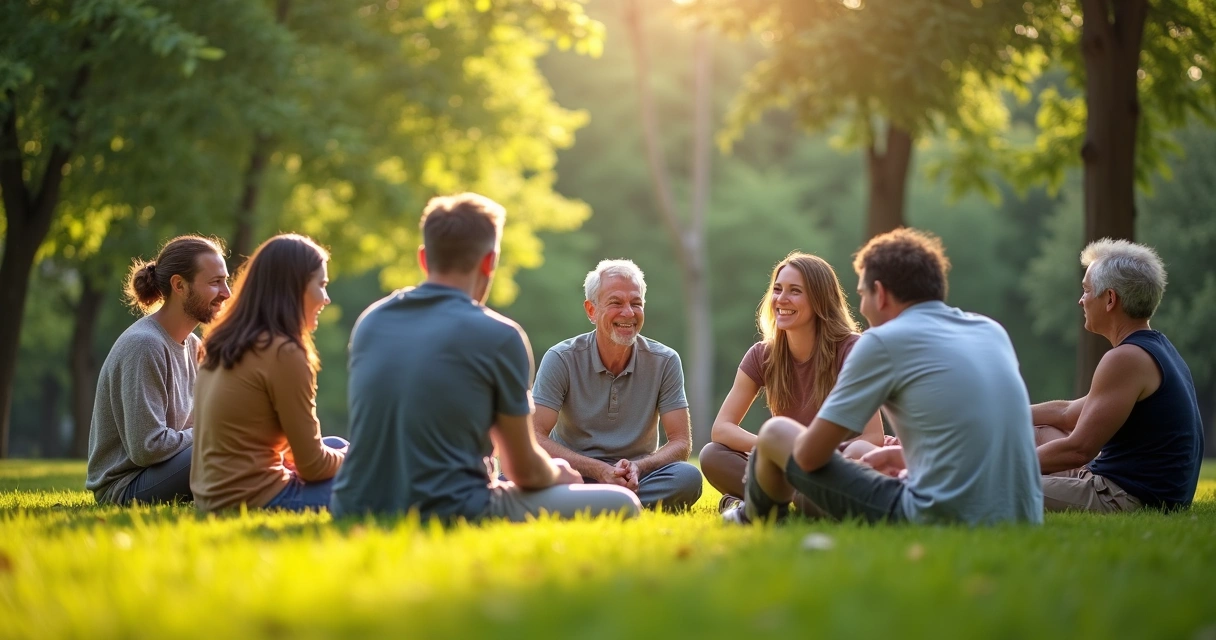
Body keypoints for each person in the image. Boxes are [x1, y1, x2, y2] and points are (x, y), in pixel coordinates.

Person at [331, 193, 640, 522]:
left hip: (354, 505)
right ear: (489, 262)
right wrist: (559, 471)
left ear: (423, 258)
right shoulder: (500, 336)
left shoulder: (371, 321)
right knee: (623, 502)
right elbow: (523, 469)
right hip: (452, 507)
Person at [723, 228, 1042, 525]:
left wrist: (772, 458)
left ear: (881, 294)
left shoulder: (881, 342)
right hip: (1022, 514)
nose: (862, 308)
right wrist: (904, 455)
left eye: (862, 294)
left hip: (937, 512)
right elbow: (971, 431)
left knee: (776, 432)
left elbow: (808, 457)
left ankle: (750, 516)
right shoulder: (990, 330)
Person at [700, 252, 885, 507]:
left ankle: (763, 501)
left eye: (795, 291)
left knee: (819, 490)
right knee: (713, 454)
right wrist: (777, 448)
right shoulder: (762, 354)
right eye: (777, 289)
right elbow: (722, 428)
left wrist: (813, 455)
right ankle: (787, 496)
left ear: (820, 299)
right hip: (789, 467)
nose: (781, 299)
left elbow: (873, 436)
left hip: (837, 464)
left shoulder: (852, 349)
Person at [1034, 239, 1204, 513]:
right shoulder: (1157, 347)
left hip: (1125, 497)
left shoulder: (1126, 358)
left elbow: (1079, 450)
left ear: (1110, 299)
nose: (1081, 300)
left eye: (1086, 291)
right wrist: (1004, 413)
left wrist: (1003, 467)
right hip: (1114, 481)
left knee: (992, 485)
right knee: (1038, 431)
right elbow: (1067, 413)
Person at [190, 234, 348, 512]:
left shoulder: (224, 340)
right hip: (255, 499)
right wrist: (359, 457)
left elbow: (294, 451)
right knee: (375, 476)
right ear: (296, 287)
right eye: (321, 285)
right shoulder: (284, 352)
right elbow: (313, 466)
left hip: (211, 498)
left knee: (336, 443)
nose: (326, 299)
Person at [531, 259, 702, 511]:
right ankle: (617, 503)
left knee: (687, 477)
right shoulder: (561, 358)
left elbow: (680, 442)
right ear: (591, 310)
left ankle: (581, 504)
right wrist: (598, 470)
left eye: (636, 303)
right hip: (574, 473)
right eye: (616, 303)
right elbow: (534, 436)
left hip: (636, 478)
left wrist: (639, 467)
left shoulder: (665, 361)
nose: (628, 313)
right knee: (512, 476)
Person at [86, 235, 231, 505]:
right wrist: (215, 430)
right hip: (127, 486)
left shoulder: (193, 345)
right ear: (179, 285)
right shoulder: (144, 345)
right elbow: (147, 448)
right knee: (227, 444)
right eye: (215, 282)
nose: (227, 292)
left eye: (225, 280)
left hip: (168, 470)